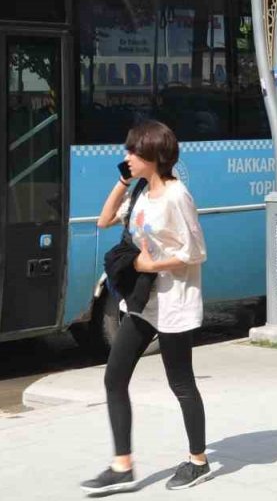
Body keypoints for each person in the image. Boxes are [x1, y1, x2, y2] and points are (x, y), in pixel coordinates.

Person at [82, 121, 211, 495]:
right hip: (143, 300)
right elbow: (104, 221)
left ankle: (198, 461)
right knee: (114, 377)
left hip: (174, 299)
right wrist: (122, 181)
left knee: (181, 382)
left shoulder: (176, 196)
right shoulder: (139, 190)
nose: (126, 157)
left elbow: (195, 252)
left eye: (133, 153)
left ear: (153, 156)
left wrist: (148, 265)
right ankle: (122, 465)